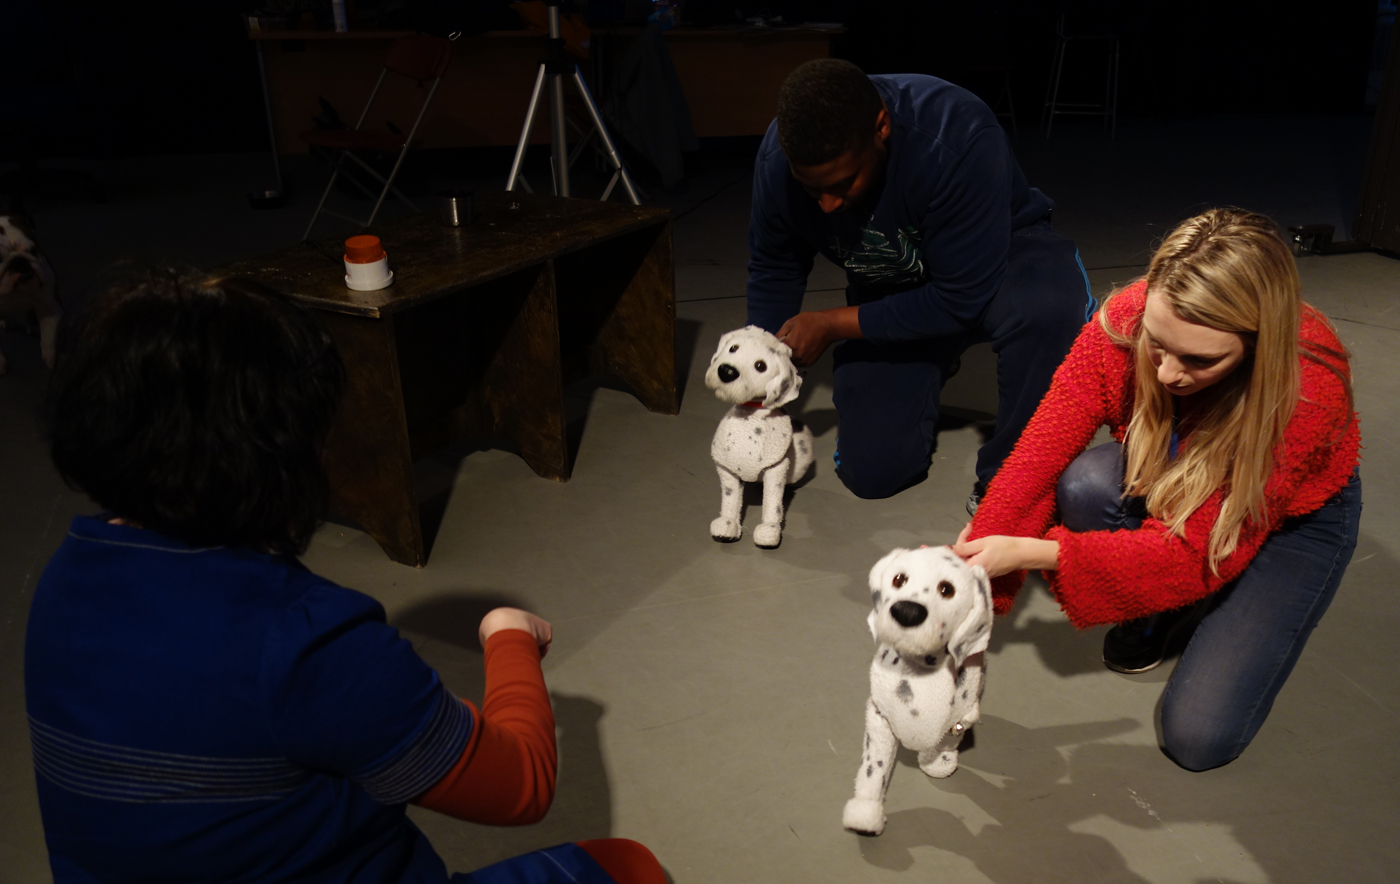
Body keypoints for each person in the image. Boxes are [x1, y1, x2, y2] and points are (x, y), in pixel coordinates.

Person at [25, 269, 665, 884]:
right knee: (627, 865)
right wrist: (510, 639)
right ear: (283, 449)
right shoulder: (304, 641)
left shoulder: (64, 580)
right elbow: (521, 783)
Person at [954, 209, 1362, 771]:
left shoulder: (1306, 388)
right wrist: (979, 562)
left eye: (1199, 359)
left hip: (1295, 520)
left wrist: (1030, 551)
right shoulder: (1124, 322)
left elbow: (1201, 552)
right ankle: (1158, 613)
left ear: (1257, 346)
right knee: (1087, 484)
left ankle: (1208, 597)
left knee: (1198, 738)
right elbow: (1038, 455)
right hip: (1177, 474)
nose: (1168, 373)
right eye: (1157, 344)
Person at [746, 58, 1096, 510]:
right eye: (812, 190)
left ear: (881, 127)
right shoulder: (778, 162)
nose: (828, 205)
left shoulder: (956, 134)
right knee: (873, 473)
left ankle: (1014, 483)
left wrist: (832, 324)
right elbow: (775, 266)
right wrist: (763, 374)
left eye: (843, 183)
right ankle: (931, 362)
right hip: (894, 281)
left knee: (1048, 309)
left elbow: (961, 297)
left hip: (1002, 261)